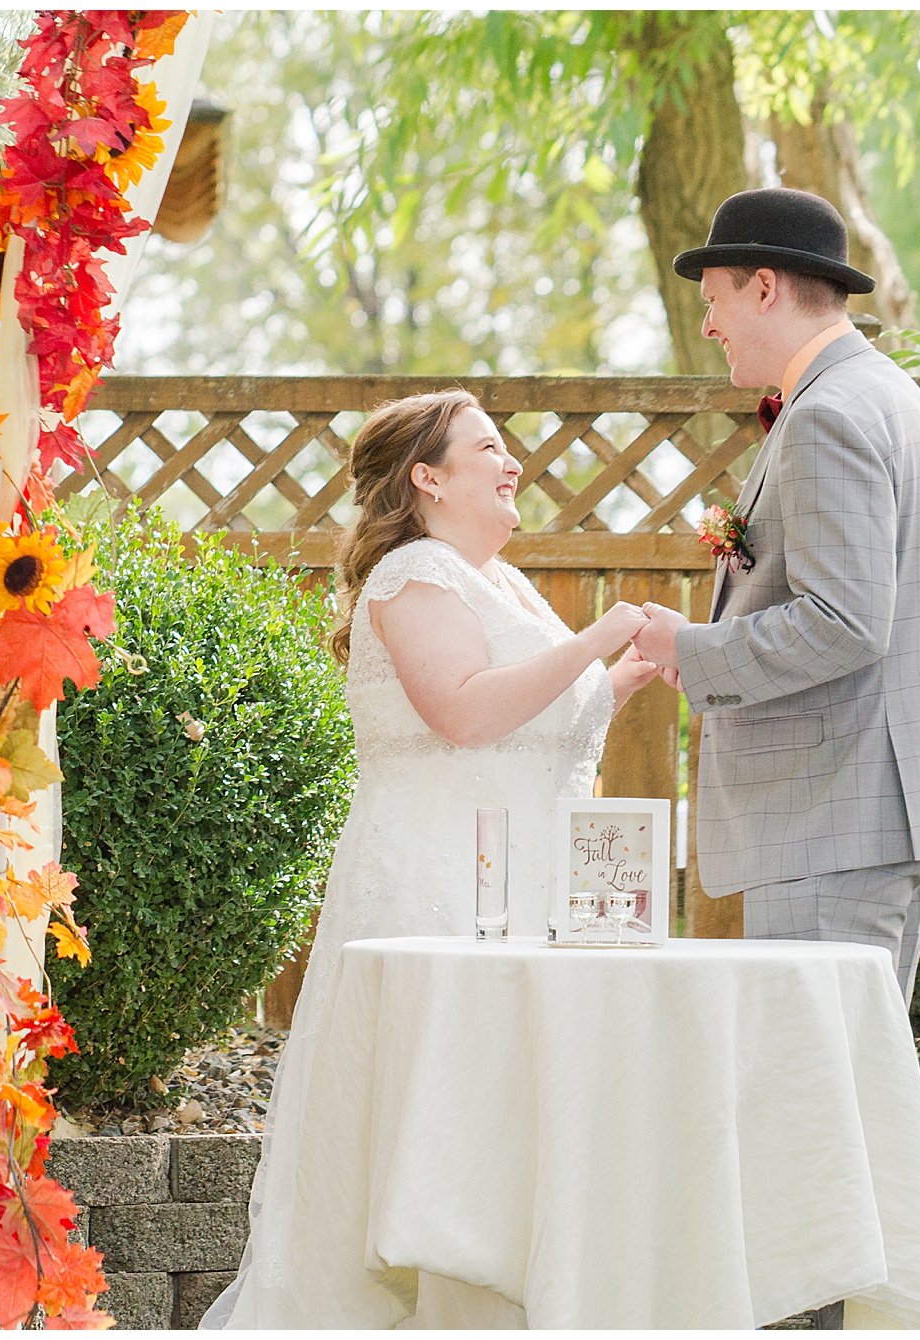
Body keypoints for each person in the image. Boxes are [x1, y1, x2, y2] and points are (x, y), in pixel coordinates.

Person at [204, 390, 659, 1330]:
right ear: (428, 477)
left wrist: (618, 680)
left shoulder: (501, 580)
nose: (512, 461)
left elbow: (532, 730)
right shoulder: (412, 574)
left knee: (507, 1114)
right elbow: (462, 712)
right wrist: (599, 635)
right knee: (440, 1107)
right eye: (488, 447)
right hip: (435, 884)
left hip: (514, 885)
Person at [633, 187, 920, 1001]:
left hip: (833, 815)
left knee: (812, 1099)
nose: (708, 324)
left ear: (764, 287)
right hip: (870, 807)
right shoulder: (887, 395)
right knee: (854, 1091)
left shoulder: (829, 414)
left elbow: (845, 622)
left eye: (713, 301)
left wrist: (691, 648)